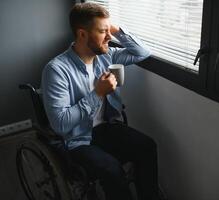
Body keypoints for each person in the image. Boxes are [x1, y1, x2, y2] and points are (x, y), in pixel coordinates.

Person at [41, 2, 159, 200]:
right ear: (82, 34)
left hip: (106, 127)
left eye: (108, 30)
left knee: (147, 146)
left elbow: (142, 52)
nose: (109, 37)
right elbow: (60, 124)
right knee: (112, 170)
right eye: (103, 31)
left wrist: (117, 29)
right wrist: (97, 94)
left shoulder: (106, 56)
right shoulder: (56, 70)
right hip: (77, 139)